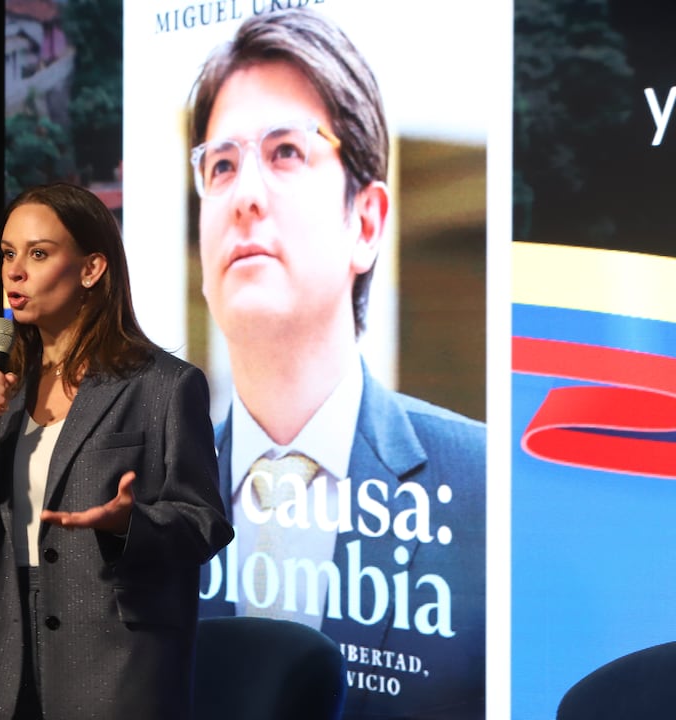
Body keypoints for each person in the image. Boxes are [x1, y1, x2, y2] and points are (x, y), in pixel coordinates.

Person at [187, 8, 486, 720]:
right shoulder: (141, 507)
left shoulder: (488, 495)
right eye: (221, 165)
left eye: (286, 152)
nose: (245, 195)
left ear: (367, 222)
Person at [0, 182, 234, 720]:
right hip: (2, 659)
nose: (15, 271)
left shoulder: (163, 385)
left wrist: (128, 524)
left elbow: (204, 523)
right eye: (8, 253)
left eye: (39, 253)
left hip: (111, 666)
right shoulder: (8, 387)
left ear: (92, 269)